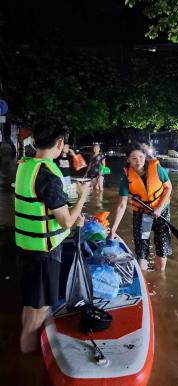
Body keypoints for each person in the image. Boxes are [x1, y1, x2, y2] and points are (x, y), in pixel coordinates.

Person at [15, 119, 89, 354]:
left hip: (27, 248)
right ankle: (27, 363)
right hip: (43, 255)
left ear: (35, 141)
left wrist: (73, 209)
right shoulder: (47, 174)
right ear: (59, 143)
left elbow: (53, 206)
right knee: (37, 314)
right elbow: (65, 220)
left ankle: (27, 350)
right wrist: (84, 196)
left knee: (32, 306)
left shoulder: (26, 165)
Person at [109, 143, 172, 272]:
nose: (138, 161)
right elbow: (122, 204)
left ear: (145, 157)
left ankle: (160, 276)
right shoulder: (126, 176)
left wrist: (159, 208)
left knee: (162, 247)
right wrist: (112, 230)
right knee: (141, 250)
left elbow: (169, 187)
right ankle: (145, 280)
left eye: (141, 157)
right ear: (128, 160)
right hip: (142, 213)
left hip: (162, 211)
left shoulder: (156, 168)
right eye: (134, 158)